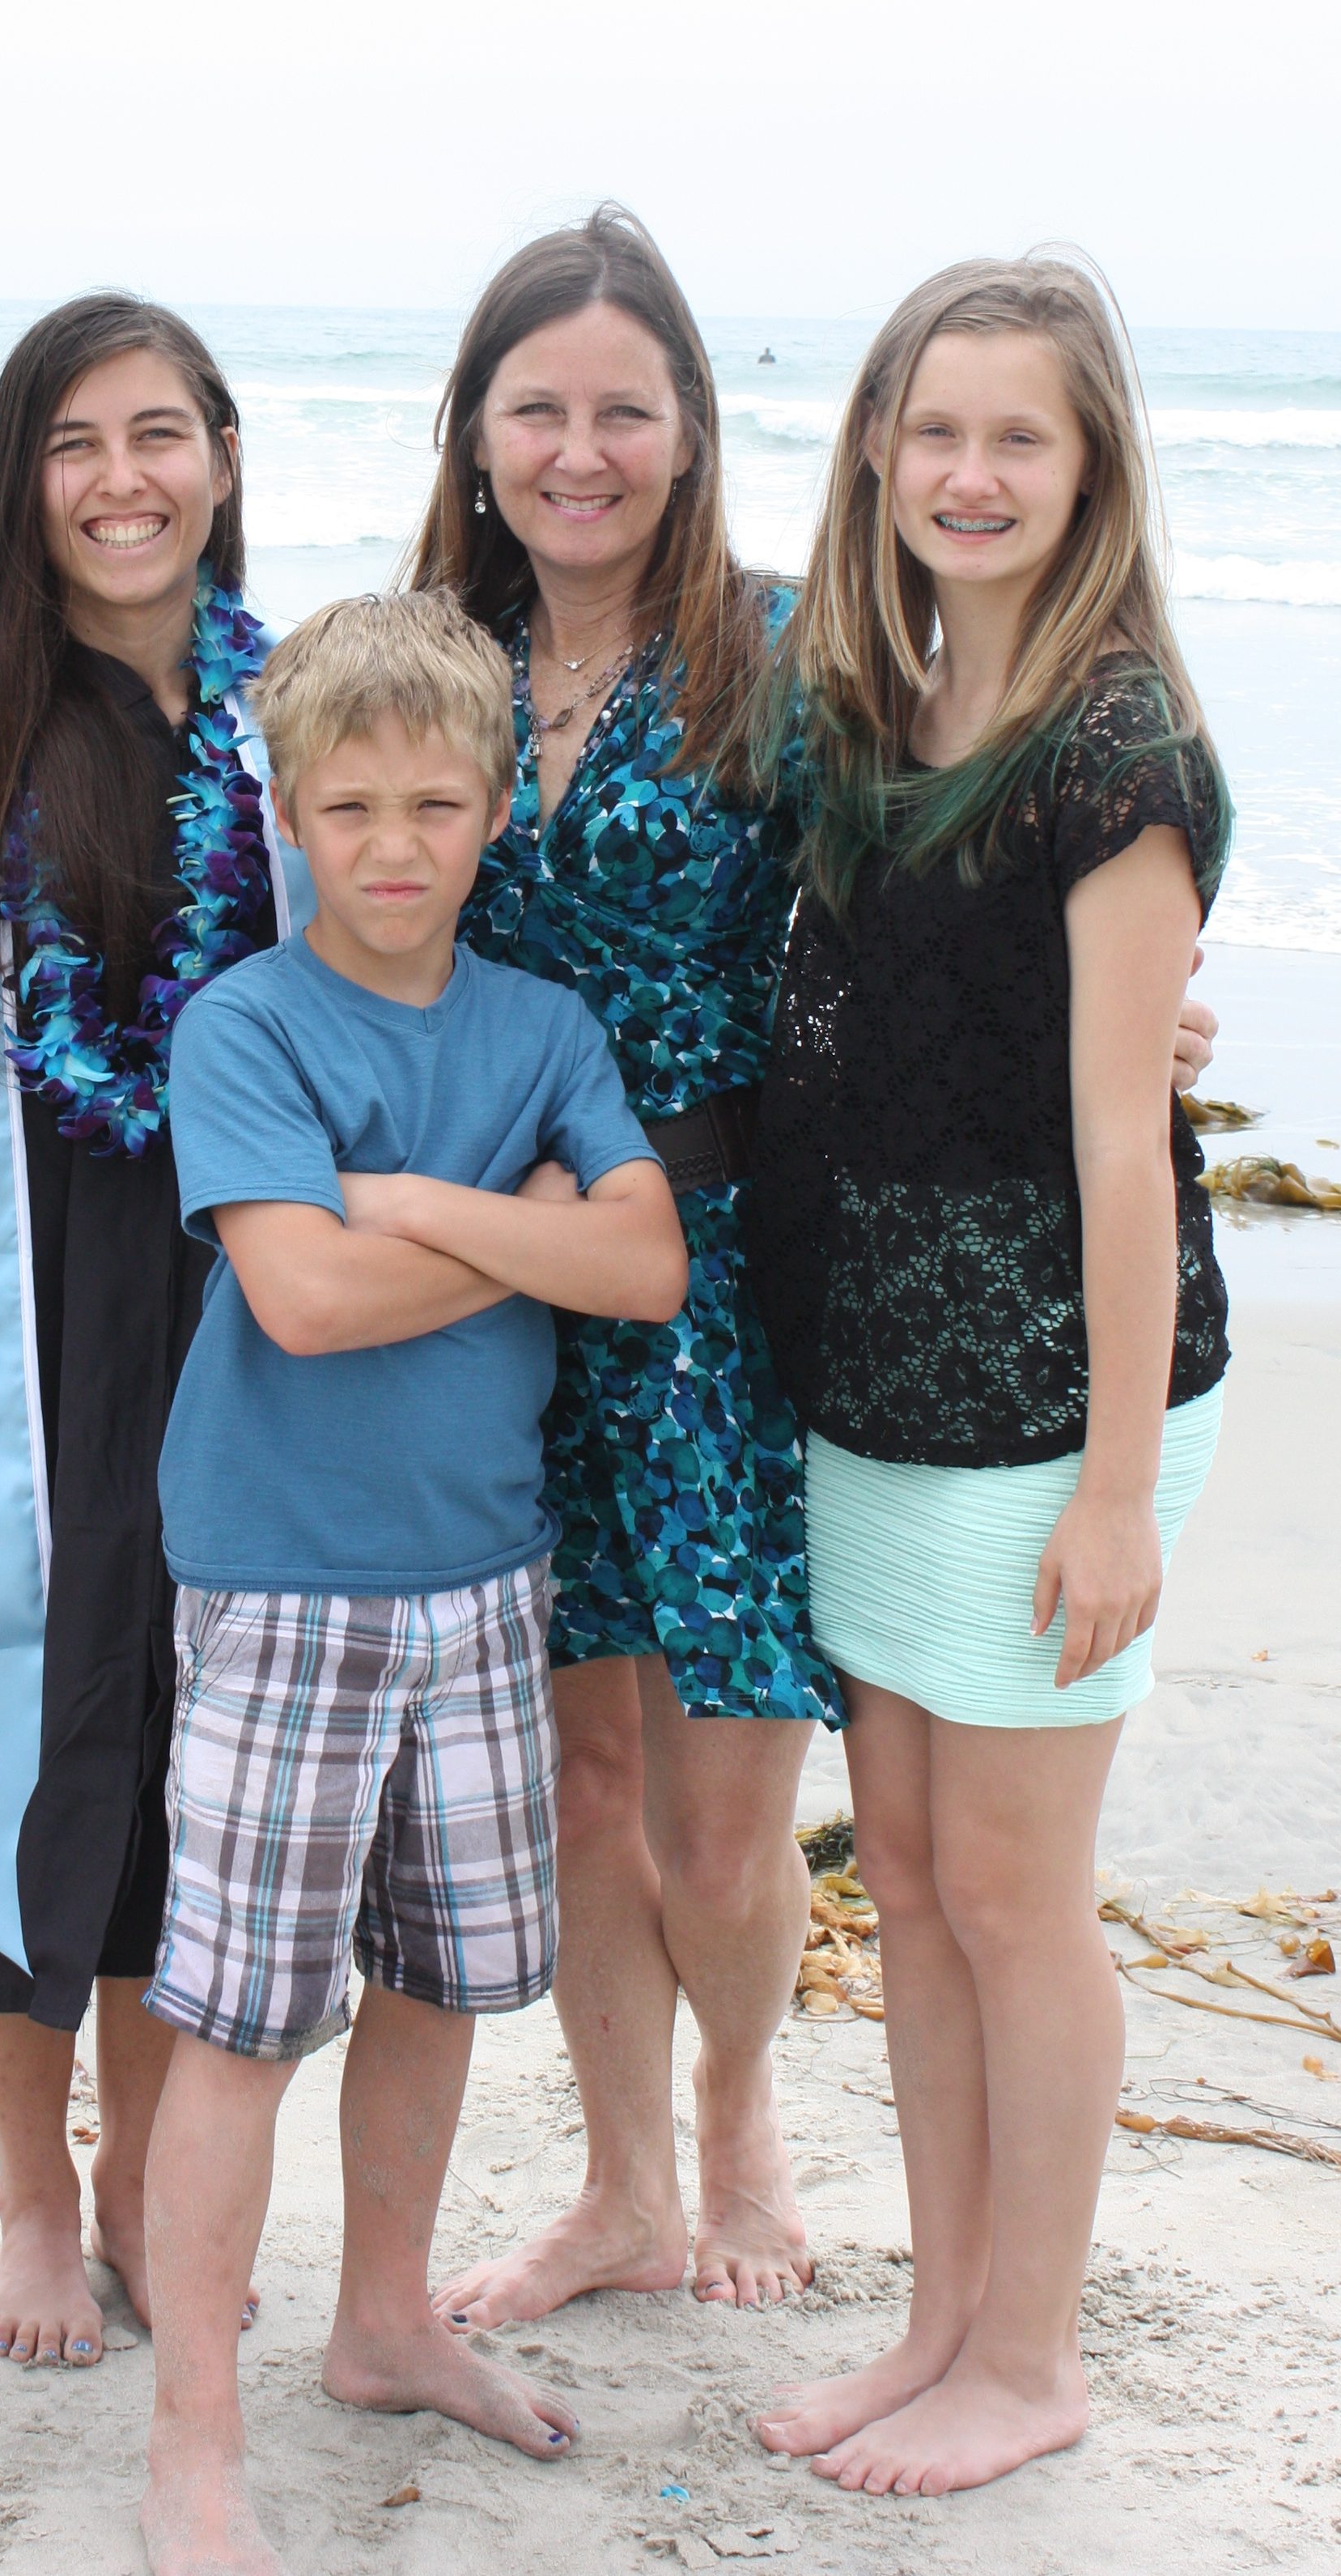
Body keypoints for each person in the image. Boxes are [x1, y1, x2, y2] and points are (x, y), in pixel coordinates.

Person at [406, 206, 1221, 2328]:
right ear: (476, 431)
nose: (579, 449)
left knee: (724, 1790)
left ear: (693, 435)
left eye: (626, 408)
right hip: (503, 1291)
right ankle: (616, 2180)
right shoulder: (432, 662)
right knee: (585, 1777)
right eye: (537, 407)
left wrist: (1142, 1012)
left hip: (735, 1287)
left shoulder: (795, 660)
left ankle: (751, 2115)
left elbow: (959, 897)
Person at [138, 589, 689, 2575]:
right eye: (350, 803)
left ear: (486, 821)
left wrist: (439, 1210)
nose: (393, 845)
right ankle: (192, 2430)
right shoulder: (248, 1023)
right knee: (243, 2020)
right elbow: (303, 1292)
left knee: (444, 1984)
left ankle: (386, 2320)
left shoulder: (542, 1028)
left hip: (485, 1583)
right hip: (286, 1582)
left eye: (437, 803)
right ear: (285, 810)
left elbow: (644, 1267)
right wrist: (525, 1228)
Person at [746, 254, 1229, 2495]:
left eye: (1017, 436)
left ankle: (1028, 2352)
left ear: (1090, 464)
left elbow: (1131, 1138)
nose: (969, 472)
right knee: (915, 1876)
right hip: (877, 1376)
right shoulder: (868, 700)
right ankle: (939, 2316)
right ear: (872, 445)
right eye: (934, 429)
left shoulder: (1117, 745)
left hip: (1054, 1397)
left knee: (1018, 1891)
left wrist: (1120, 1485)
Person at [0, 295, 304, 2368]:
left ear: (221, 458)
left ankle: (137, 2175)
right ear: (23, 477)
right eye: (75, 442)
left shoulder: (297, 716)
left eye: (161, 433)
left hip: (232, 1284)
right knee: (16, 1715)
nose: (122, 480)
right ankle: (27, 2192)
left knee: (191, 1744)